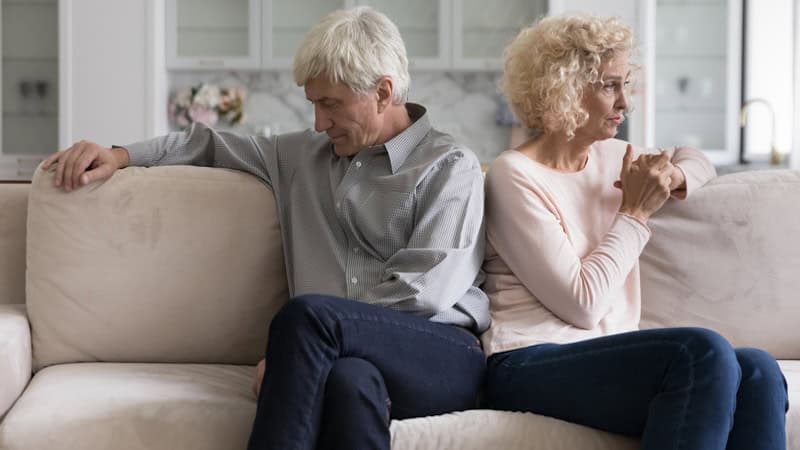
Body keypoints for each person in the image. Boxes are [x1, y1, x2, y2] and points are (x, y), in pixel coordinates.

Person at [42, 7, 489, 450]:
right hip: (346, 358)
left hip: (440, 352)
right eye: (313, 104)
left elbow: (425, 291)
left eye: (331, 104)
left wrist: (302, 349)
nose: (318, 123)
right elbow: (206, 143)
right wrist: (119, 155)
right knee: (349, 383)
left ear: (383, 92)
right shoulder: (300, 158)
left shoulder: (449, 167)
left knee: (309, 317)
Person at [481, 13, 788, 450]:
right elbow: (582, 303)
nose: (625, 102)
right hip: (526, 362)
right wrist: (636, 211)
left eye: (626, 84)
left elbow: (697, 159)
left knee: (758, 368)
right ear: (564, 90)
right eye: (610, 85)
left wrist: (671, 177)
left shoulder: (617, 155)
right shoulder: (514, 175)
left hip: (607, 358)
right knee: (699, 352)